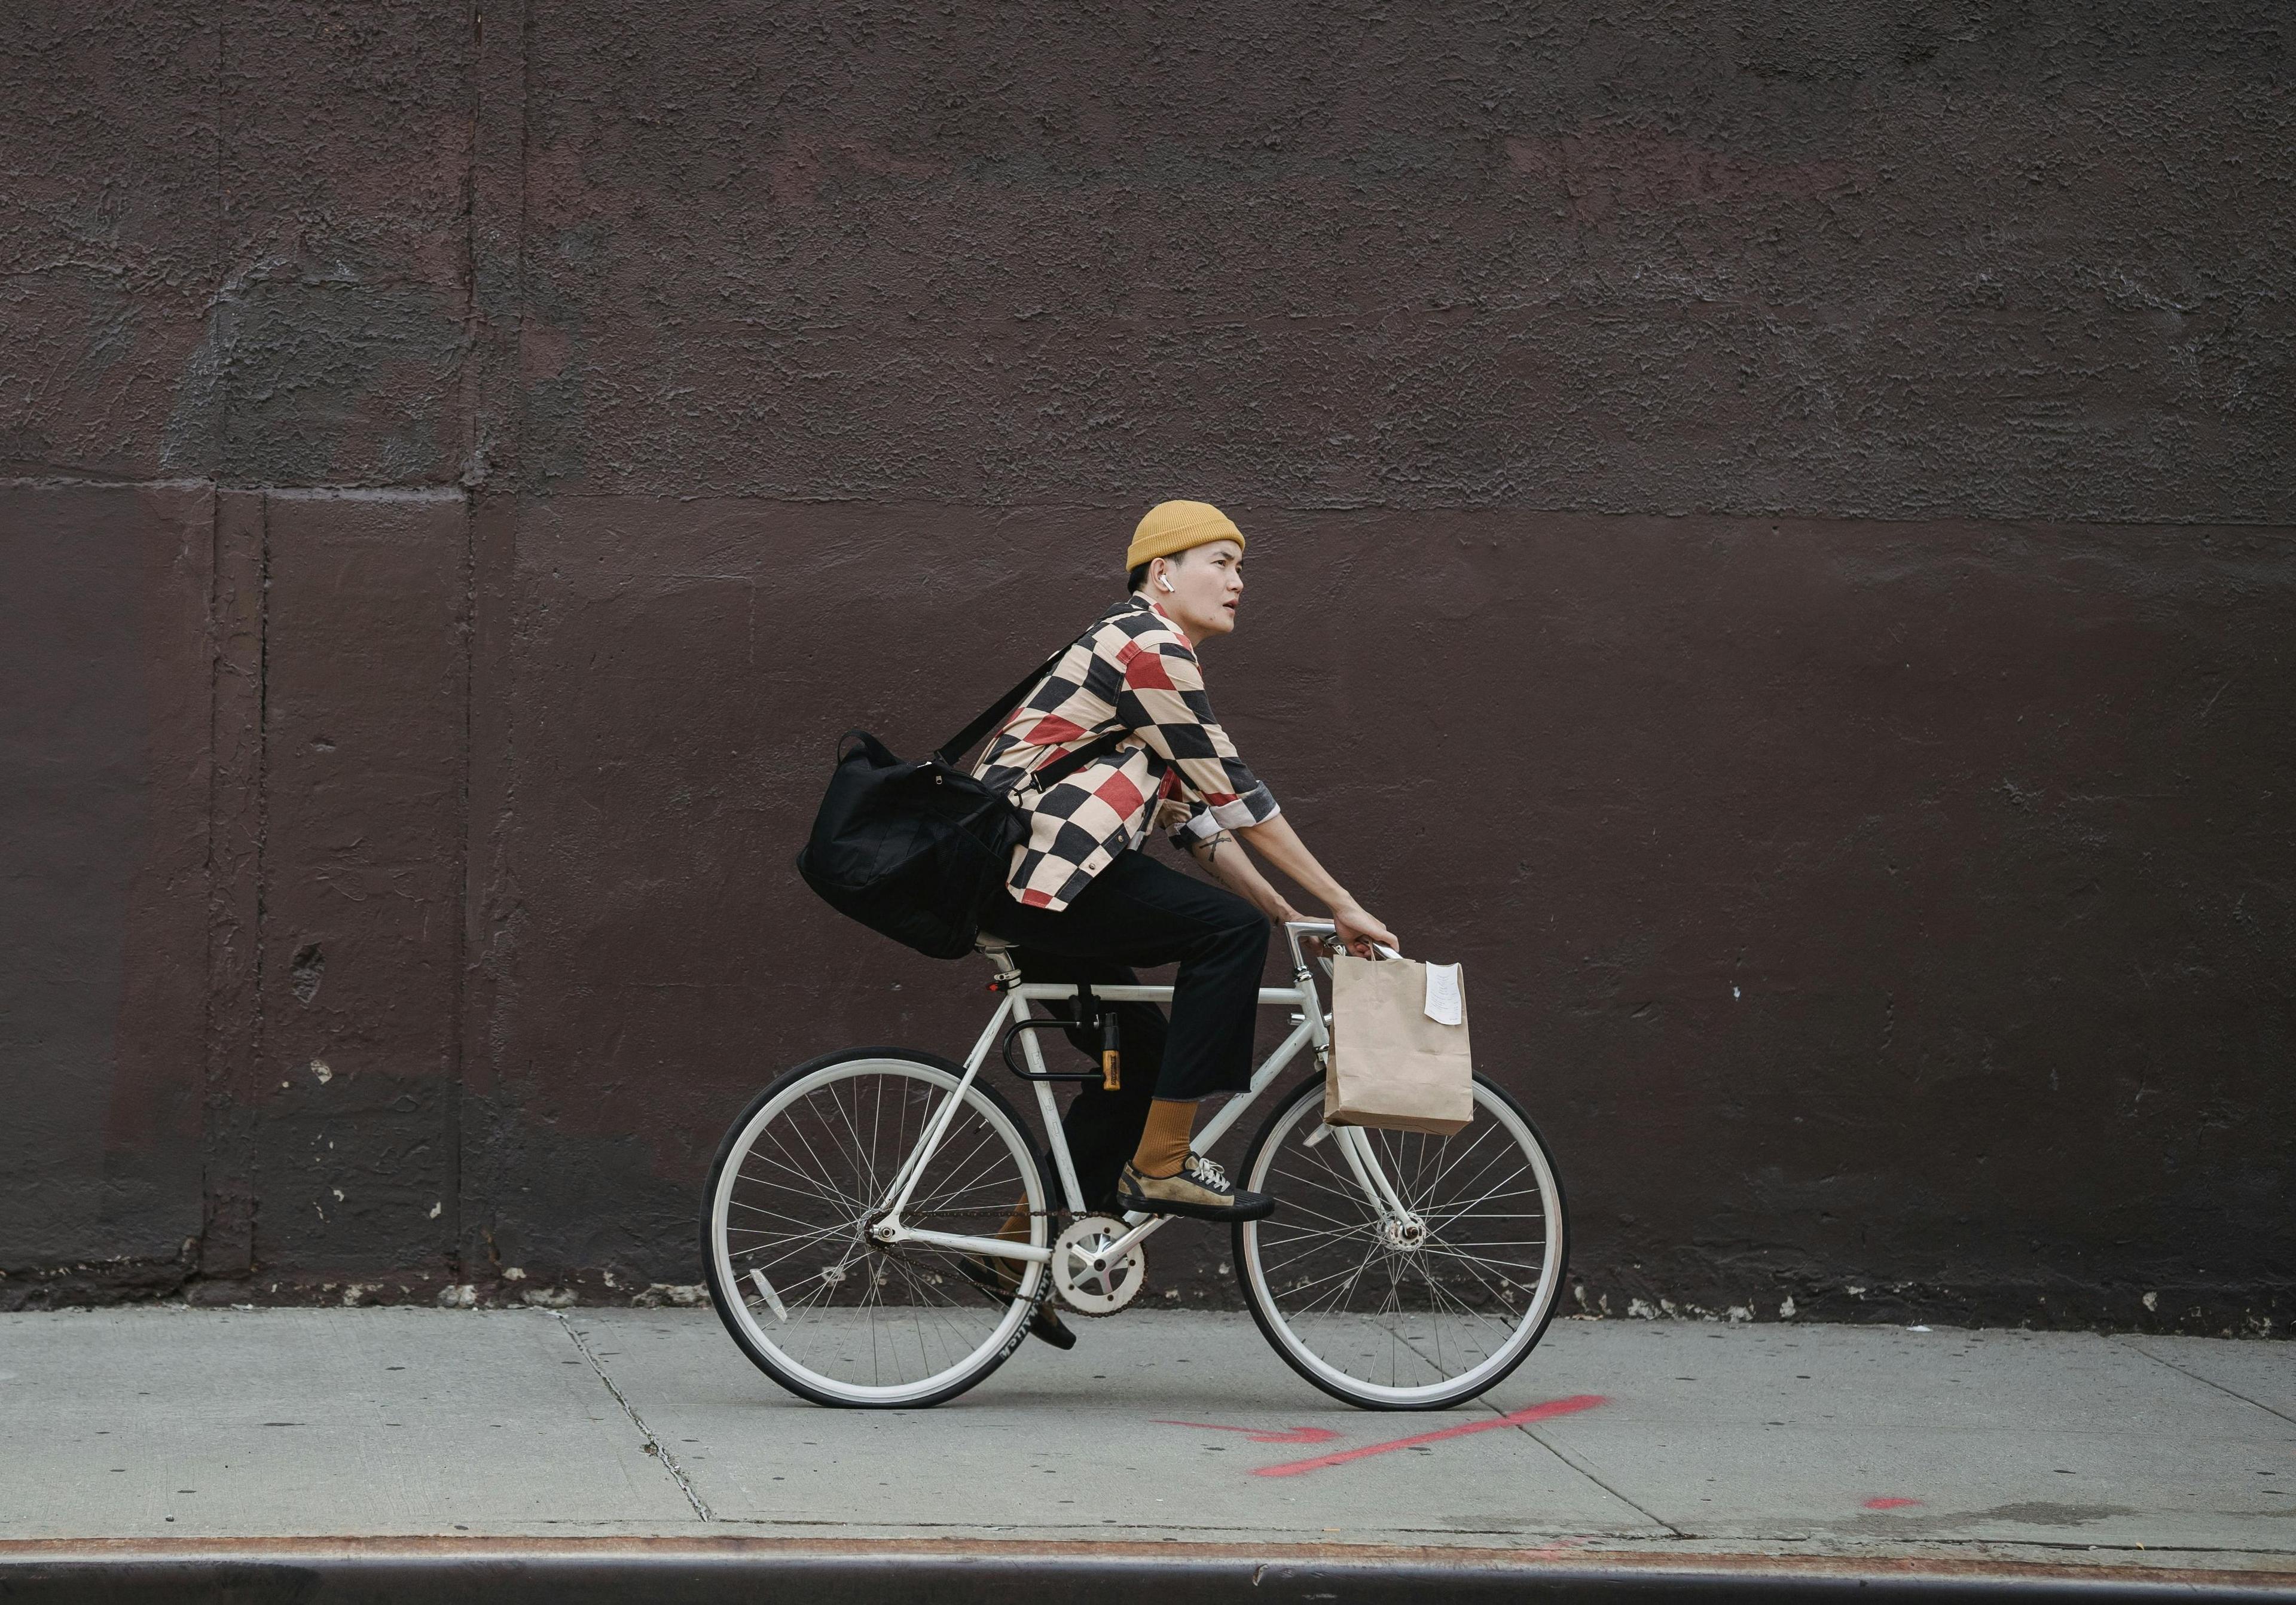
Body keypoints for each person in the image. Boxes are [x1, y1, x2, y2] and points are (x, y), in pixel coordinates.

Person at [970, 500, 1397, 1342]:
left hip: (1029, 884)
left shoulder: (1138, 655)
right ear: (1162, 573)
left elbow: (1196, 819)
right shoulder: (1149, 645)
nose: (1239, 583)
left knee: (1144, 1061)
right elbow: (1238, 795)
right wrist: (1342, 901)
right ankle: (1164, 1165)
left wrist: (1287, 913)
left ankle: (1010, 1252)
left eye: (1242, 567)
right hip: (1046, 874)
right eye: (1220, 562)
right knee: (1221, 936)